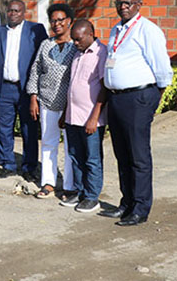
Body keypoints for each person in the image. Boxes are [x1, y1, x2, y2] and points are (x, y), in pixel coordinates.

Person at [102, 0, 172, 226]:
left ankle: (141, 208)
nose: (124, 6)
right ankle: (127, 202)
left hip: (138, 98)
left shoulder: (148, 30)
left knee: (138, 155)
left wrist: (155, 95)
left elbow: (161, 65)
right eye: (120, 3)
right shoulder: (116, 29)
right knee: (122, 153)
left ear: (139, 4)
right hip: (117, 98)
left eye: (129, 3)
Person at [0, 0, 48, 181]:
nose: (13, 14)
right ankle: (8, 165)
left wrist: (36, 91)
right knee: (3, 127)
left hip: (26, 90)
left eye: (17, 11)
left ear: (24, 13)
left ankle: (29, 167)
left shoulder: (35, 30)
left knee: (28, 128)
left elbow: (43, 59)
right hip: (3, 88)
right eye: (10, 11)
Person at [27, 3, 76, 200]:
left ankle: (70, 186)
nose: (56, 24)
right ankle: (48, 183)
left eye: (60, 20)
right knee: (48, 143)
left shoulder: (76, 45)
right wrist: (33, 97)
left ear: (69, 21)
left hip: (70, 105)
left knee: (70, 145)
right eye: (53, 20)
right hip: (46, 102)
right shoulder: (45, 45)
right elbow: (36, 70)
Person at [61, 19, 108, 214]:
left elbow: (105, 87)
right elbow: (72, 86)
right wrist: (65, 113)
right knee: (75, 156)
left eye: (78, 39)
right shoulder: (77, 53)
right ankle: (80, 191)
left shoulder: (101, 53)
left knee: (92, 159)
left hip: (91, 118)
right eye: (73, 40)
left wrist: (94, 118)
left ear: (90, 34)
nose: (75, 43)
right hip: (73, 116)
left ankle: (91, 196)